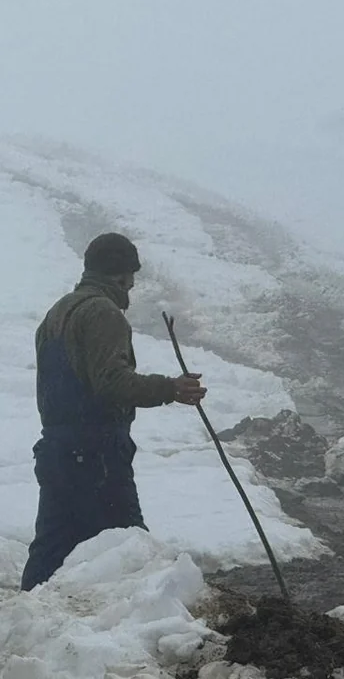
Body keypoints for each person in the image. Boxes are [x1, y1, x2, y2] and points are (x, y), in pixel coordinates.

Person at [20, 233, 206, 591]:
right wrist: (171, 388)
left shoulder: (57, 312)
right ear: (122, 276)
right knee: (133, 547)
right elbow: (111, 382)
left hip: (58, 449)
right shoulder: (104, 313)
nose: (131, 289)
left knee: (51, 547)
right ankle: (145, 625)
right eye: (131, 280)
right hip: (97, 453)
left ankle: (21, 620)